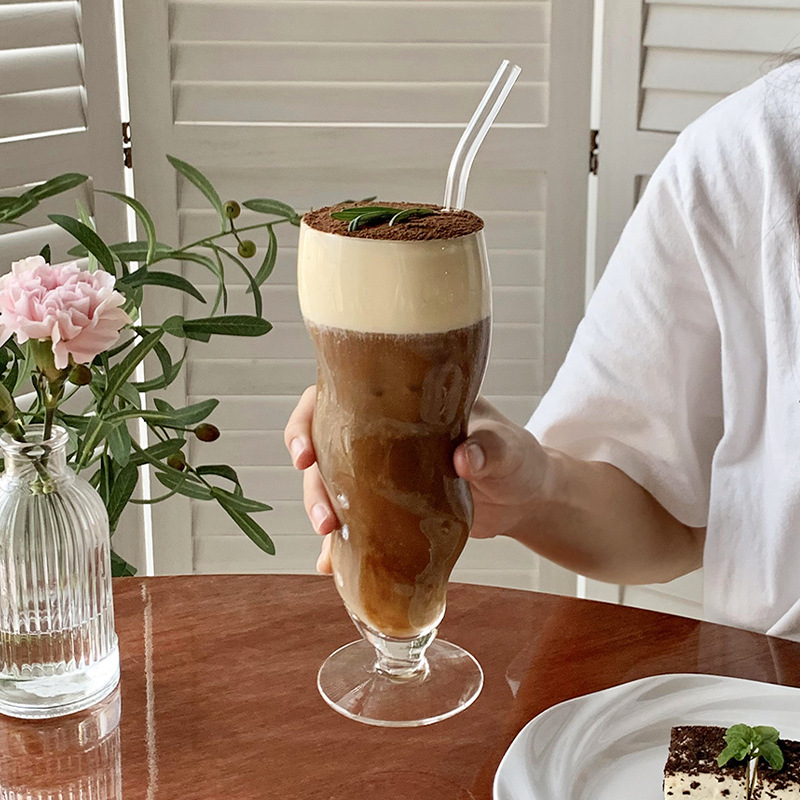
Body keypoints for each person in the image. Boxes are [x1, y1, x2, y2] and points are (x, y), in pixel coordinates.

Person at [284, 59, 800, 642]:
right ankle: (392, 642)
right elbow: (671, 520)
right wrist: (535, 492)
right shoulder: (757, 149)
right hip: (772, 685)